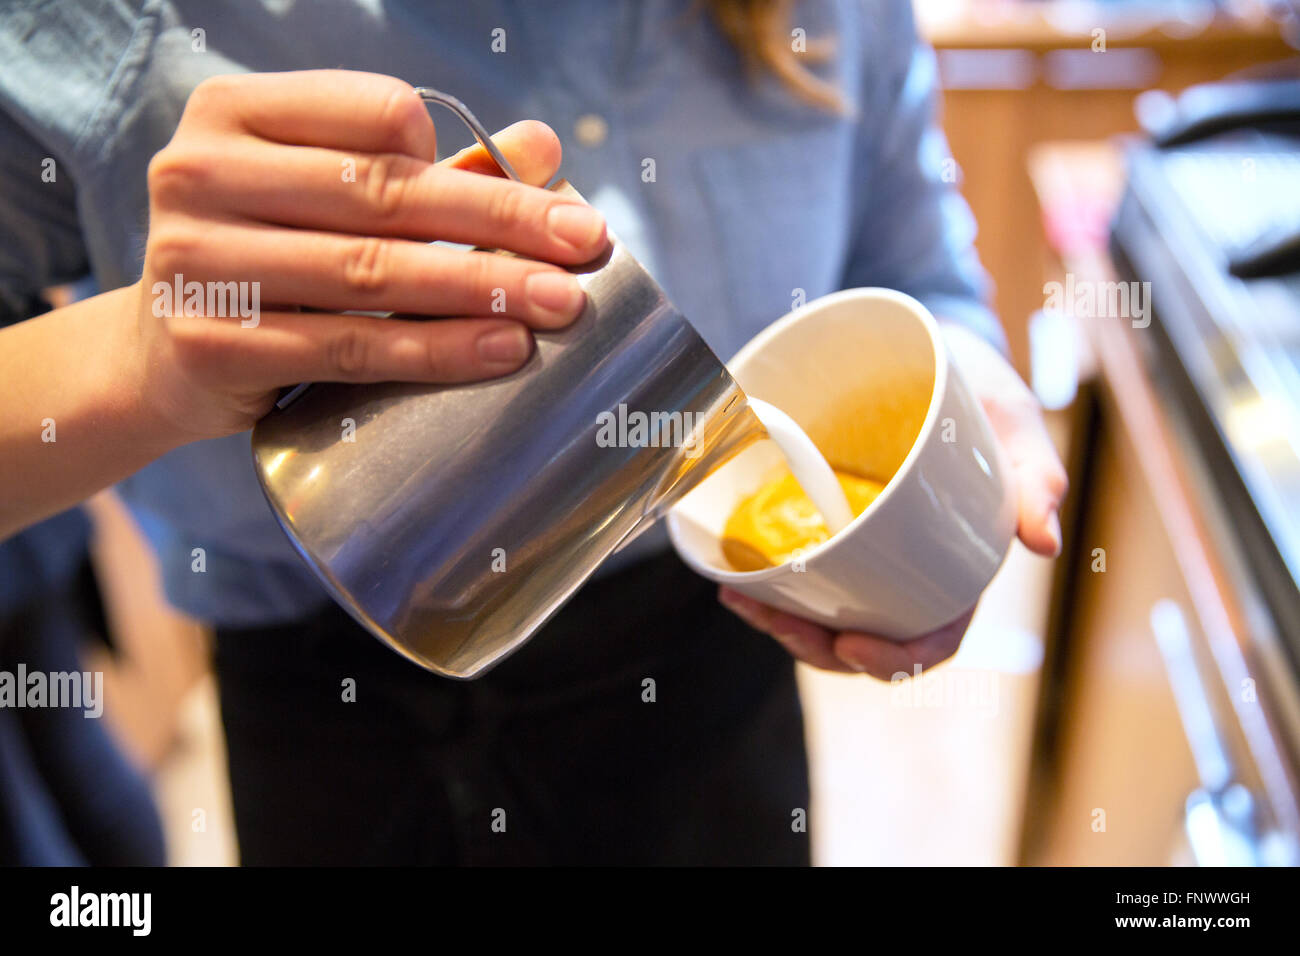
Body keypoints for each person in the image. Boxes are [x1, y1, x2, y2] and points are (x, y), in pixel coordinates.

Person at [0, 0, 1066, 864]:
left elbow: (914, 266)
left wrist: (964, 421)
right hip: (343, 721)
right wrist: (138, 359)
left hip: (715, 669)